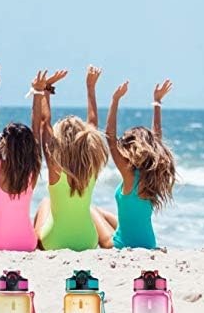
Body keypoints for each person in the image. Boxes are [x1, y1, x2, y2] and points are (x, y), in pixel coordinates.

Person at [0, 64, 67, 251]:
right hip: (27, 243)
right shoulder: (33, 168)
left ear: (5, 144)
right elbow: (37, 126)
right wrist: (38, 93)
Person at [35, 65, 110, 251]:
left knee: (45, 202)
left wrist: (46, 90)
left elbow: (44, 122)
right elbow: (93, 123)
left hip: (54, 241)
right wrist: (90, 87)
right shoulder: (92, 165)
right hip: (87, 240)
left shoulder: (54, 166)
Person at [99, 79, 176, 249]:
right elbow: (157, 139)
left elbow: (110, 137)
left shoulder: (129, 174)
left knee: (93, 212)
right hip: (149, 243)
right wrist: (157, 102)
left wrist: (115, 100)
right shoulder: (152, 174)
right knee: (106, 216)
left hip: (122, 244)